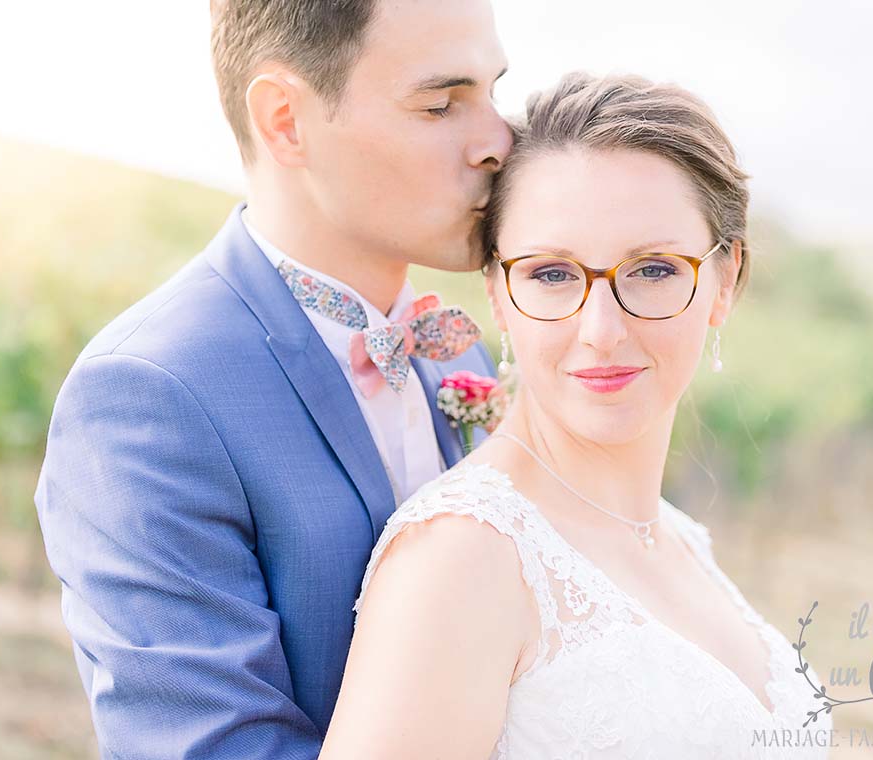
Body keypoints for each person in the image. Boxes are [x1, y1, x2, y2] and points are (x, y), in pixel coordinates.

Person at [34, 1, 511, 757]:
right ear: (286, 120)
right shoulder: (148, 396)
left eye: (494, 92)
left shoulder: (459, 352)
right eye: (443, 103)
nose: (499, 140)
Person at [319, 72, 833, 758]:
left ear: (725, 279)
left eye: (652, 269)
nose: (600, 330)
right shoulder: (463, 559)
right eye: (552, 274)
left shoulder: (682, 541)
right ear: (498, 292)